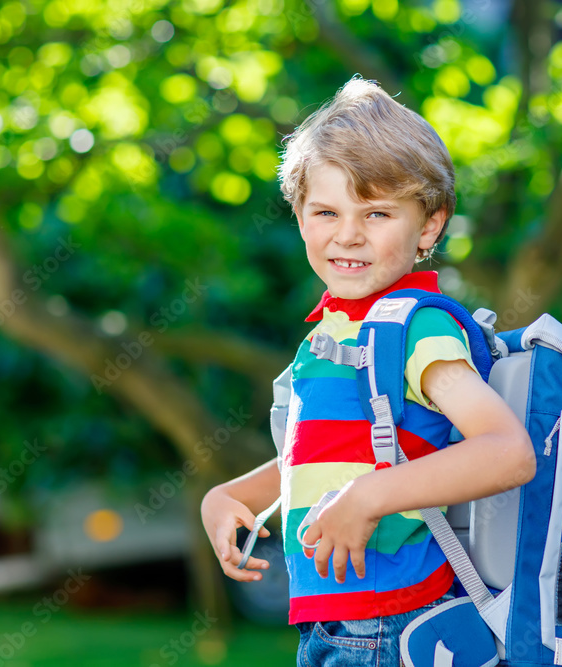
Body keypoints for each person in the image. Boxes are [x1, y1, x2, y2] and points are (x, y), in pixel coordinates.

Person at [200, 76, 536, 667]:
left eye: (377, 212)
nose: (348, 234)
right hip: (336, 619)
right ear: (300, 218)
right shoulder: (333, 330)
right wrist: (232, 494)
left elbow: (507, 451)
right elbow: (334, 451)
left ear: (429, 226)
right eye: (326, 211)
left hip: (390, 619)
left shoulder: (416, 330)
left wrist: (369, 497)